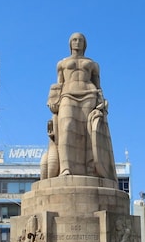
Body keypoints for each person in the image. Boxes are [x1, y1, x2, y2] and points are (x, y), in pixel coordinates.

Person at [46, 32, 117, 180]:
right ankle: (66, 168)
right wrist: (53, 100)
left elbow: (98, 87)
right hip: (68, 94)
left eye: (80, 40)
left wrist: (102, 102)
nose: (77, 42)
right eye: (74, 40)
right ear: (70, 43)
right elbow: (59, 85)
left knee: (88, 132)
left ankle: (91, 169)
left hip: (89, 95)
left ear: (84, 44)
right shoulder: (62, 63)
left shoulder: (92, 64)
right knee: (66, 128)